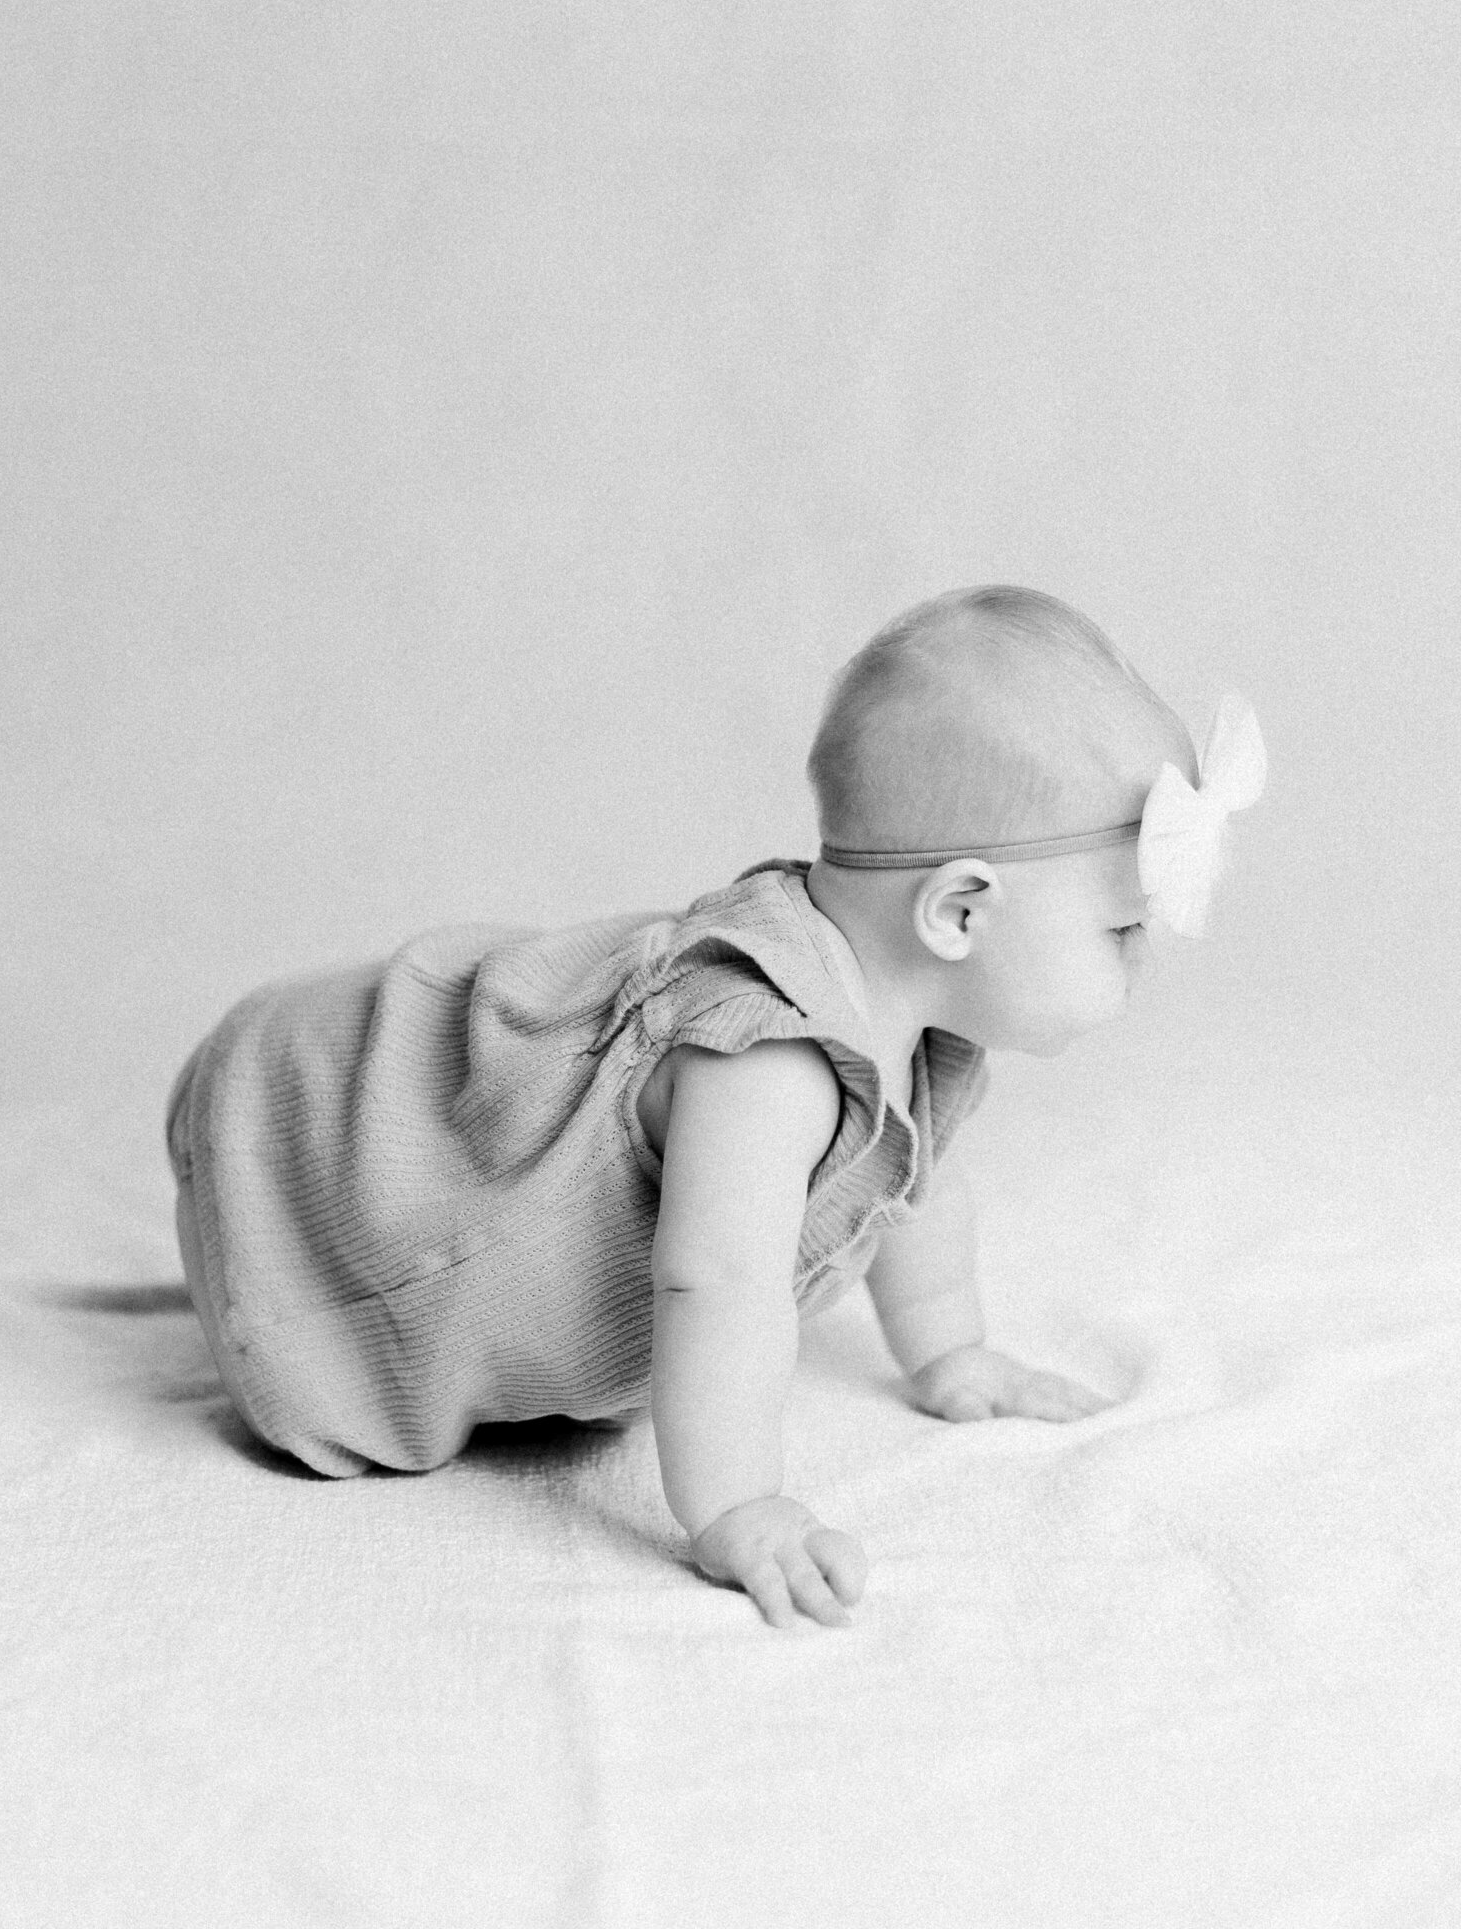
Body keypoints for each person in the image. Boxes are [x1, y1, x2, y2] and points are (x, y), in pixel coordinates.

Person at [166, 585, 1264, 1627]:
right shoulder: (767, 1058)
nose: (1145, 958)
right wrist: (737, 1502)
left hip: (326, 1102)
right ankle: (275, 1260)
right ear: (959, 911)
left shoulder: (911, 1028)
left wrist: (949, 1351)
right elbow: (716, 1279)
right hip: (317, 1147)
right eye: (1121, 929)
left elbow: (913, 1179)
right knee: (346, 1284)